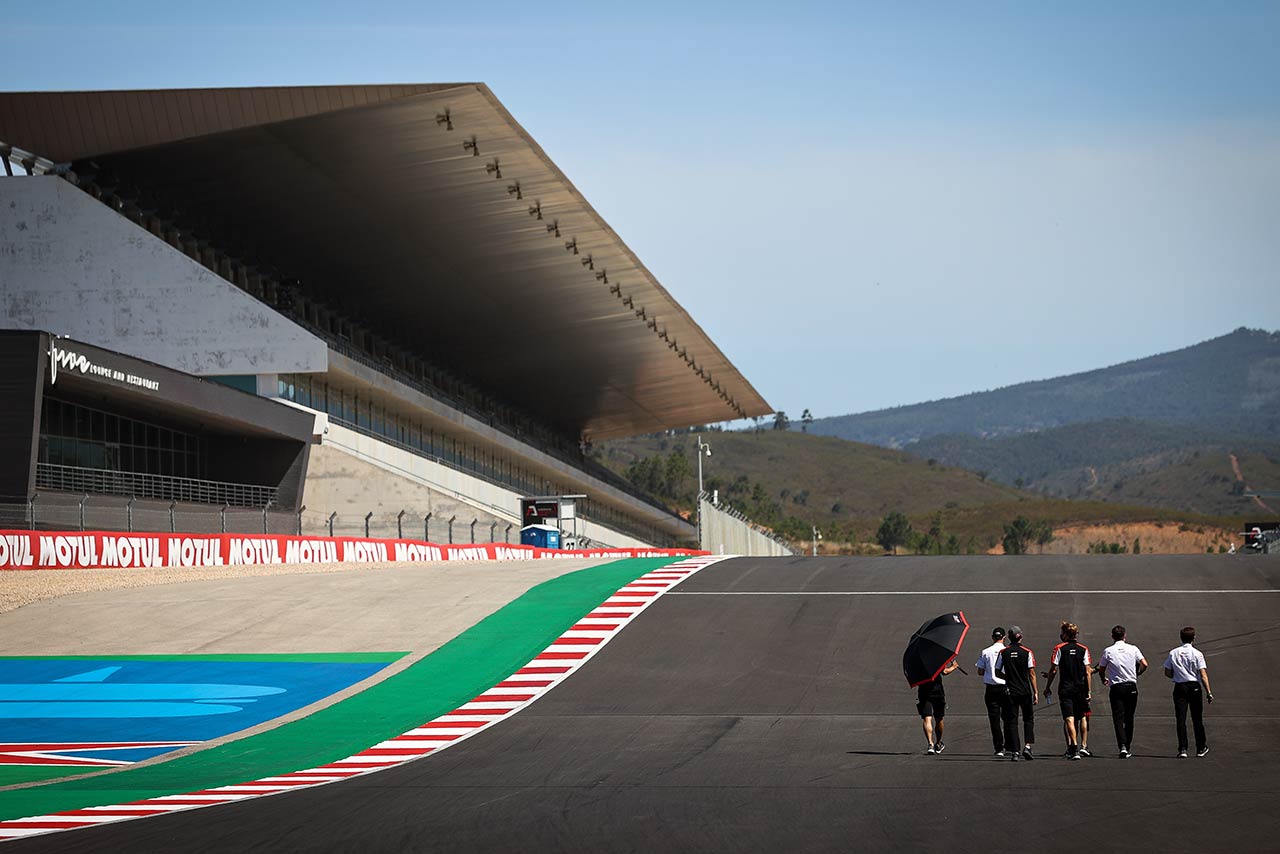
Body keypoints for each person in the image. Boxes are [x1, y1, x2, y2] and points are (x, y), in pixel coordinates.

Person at [1096, 625, 1148, 758]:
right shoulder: (1133, 648)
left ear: (1113, 636)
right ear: (1124, 635)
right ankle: (1128, 745)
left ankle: (1122, 746)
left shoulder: (1108, 651)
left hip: (1116, 687)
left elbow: (1101, 668)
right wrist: (1137, 674)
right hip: (1131, 686)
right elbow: (1145, 664)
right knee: (1129, 717)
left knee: (1118, 718)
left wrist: (1103, 679)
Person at [1042, 621, 1092, 760]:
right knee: (1082, 715)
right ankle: (1083, 746)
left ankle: (1073, 746)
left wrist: (1048, 686)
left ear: (1065, 634)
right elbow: (1087, 671)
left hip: (1066, 687)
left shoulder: (1059, 648)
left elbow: (1053, 669)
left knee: (1068, 717)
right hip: (1080, 688)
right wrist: (1089, 690)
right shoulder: (1083, 649)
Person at [1163, 626, 1214, 758]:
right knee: (1197, 718)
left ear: (1181, 637)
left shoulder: (1173, 653)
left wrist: (1177, 675)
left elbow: (1167, 672)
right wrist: (1208, 691)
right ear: (1194, 638)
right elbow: (1203, 674)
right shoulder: (1197, 653)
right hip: (1194, 687)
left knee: (1181, 719)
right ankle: (1201, 747)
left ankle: (1183, 749)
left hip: (1180, 687)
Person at [995, 625, 1038, 761]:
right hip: (1025, 690)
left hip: (1010, 691)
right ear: (1020, 636)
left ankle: (1015, 751)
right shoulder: (1027, 652)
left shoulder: (1004, 652)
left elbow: (997, 671)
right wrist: (1035, 691)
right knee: (1028, 719)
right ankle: (1028, 746)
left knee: (1012, 721)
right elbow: (1032, 673)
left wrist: (1007, 679)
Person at [975, 627, 1010, 756]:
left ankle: (998, 748)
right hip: (1005, 688)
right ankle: (1009, 745)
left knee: (994, 719)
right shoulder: (1007, 651)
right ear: (1004, 637)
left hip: (991, 689)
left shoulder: (985, 652)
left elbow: (980, 671)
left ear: (992, 637)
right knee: (1008, 718)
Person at [916, 659, 960, 755]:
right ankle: (938, 743)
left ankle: (930, 744)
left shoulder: (917, 660)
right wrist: (954, 667)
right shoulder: (936, 657)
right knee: (939, 718)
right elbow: (944, 672)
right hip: (937, 691)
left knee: (927, 719)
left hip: (923, 691)